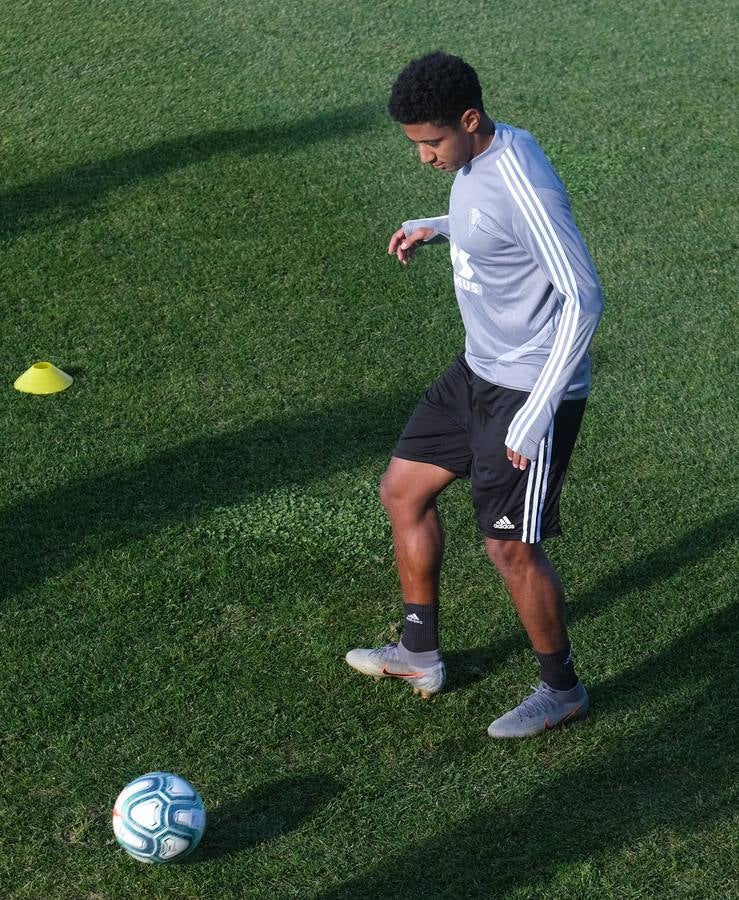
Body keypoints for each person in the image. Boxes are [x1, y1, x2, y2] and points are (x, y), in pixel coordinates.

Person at [345, 51, 604, 738]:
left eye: (431, 142)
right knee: (402, 491)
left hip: (528, 387)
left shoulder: (522, 179)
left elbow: (583, 296)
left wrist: (537, 413)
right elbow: (490, 226)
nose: (425, 157)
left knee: (508, 548)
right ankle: (418, 652)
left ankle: (562, 689)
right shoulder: (472, 162)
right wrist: (439, 225)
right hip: (475, 371)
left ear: (468, 119)